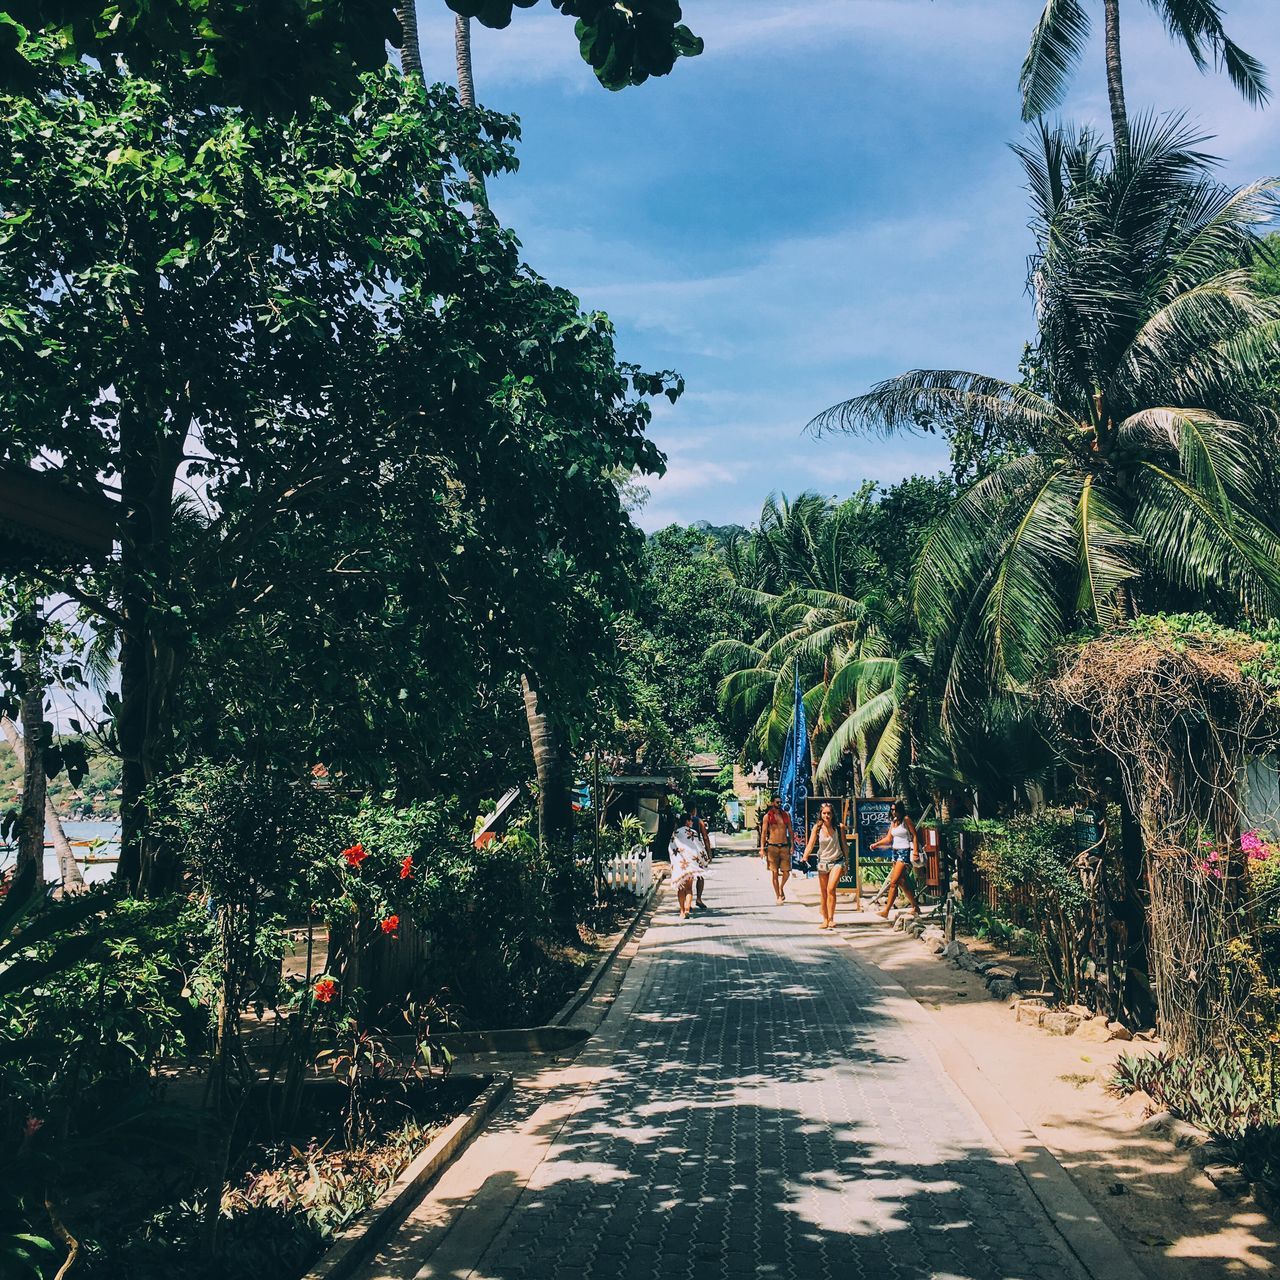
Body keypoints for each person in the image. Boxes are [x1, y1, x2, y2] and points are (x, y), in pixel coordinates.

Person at [803, 801, 857, 928]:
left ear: (832, 815)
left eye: (829, 813)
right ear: (821, 814)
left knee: (831, 888)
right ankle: (825, 919)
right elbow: (810, 844)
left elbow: (844, 845)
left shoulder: (839, 827)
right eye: (824, 813)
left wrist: (847, 862)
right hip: (823, 862)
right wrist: (805, 856)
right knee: (823, 892)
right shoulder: (817, 828)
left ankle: (832, 918)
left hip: (837, 861)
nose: (826, 816)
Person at [870, 800, 920, 918]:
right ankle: (915, 906)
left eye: (895, 810)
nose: (893, 812)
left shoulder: (906, 820)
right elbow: (888, 838)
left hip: (904, 851)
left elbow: (914, 835)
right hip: (895, 852)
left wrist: (916, 852)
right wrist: (876, 844)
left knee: (893, 882)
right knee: (902, 882)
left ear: (900, 810)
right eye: (892, 810)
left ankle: (886, 911)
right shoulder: (894, 822)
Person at [759, 794, 794, 904]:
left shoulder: (786, 815)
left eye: (780, 802)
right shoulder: (767, 817)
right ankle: (778, 896)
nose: (779, 804)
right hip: (772, 847)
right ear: (773, 803)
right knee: (774, 873)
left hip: (784, 846)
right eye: (777, 802)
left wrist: (792, 845)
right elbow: (764, 833)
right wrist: (762, 848)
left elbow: (790, 831)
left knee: (786, 872)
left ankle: (781, 887)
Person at [668, 814, 705, 920]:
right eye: (691, 821)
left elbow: (671, 848)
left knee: (680, 889)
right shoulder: (693, 833)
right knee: (689, 889)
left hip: (680, 864)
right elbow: (699, 848)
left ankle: (682, 911)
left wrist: (674, 861)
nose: (692, 823)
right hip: (690, 864)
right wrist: (703, 860)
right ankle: (688, 909)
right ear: (687, 821)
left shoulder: (675, 833)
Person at [686, 803, 714, 909]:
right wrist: (708, 852)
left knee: (687, 876)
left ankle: (687, 900)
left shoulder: (681, 820)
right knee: (700, 875)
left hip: (684, 851)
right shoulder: (699, 821)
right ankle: (698, 898)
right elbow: (705, 838)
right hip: (696, 851)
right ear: (694, 810)